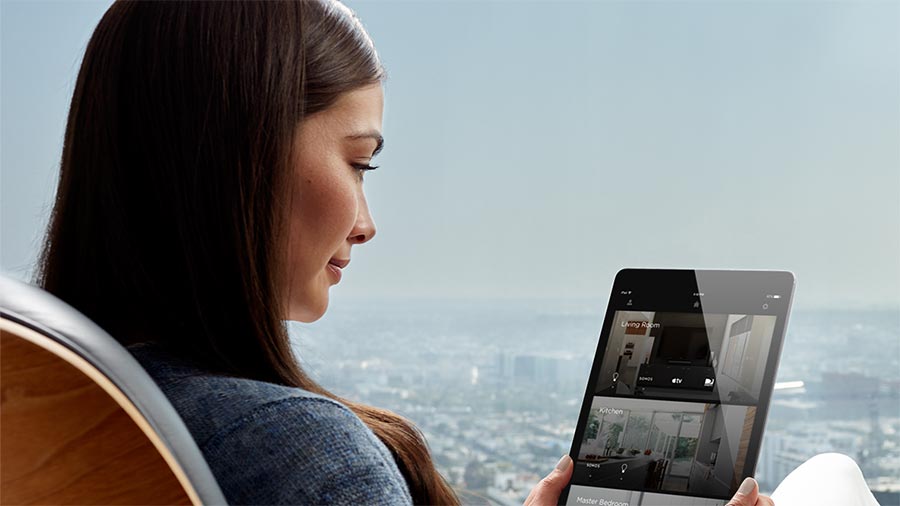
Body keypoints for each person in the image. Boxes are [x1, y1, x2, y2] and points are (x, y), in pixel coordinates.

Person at [33, 1, 879, 505]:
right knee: (833, 479)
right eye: (359, 163)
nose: (367, 222)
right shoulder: (299, 456)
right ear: (236, 161)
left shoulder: (53, 409)